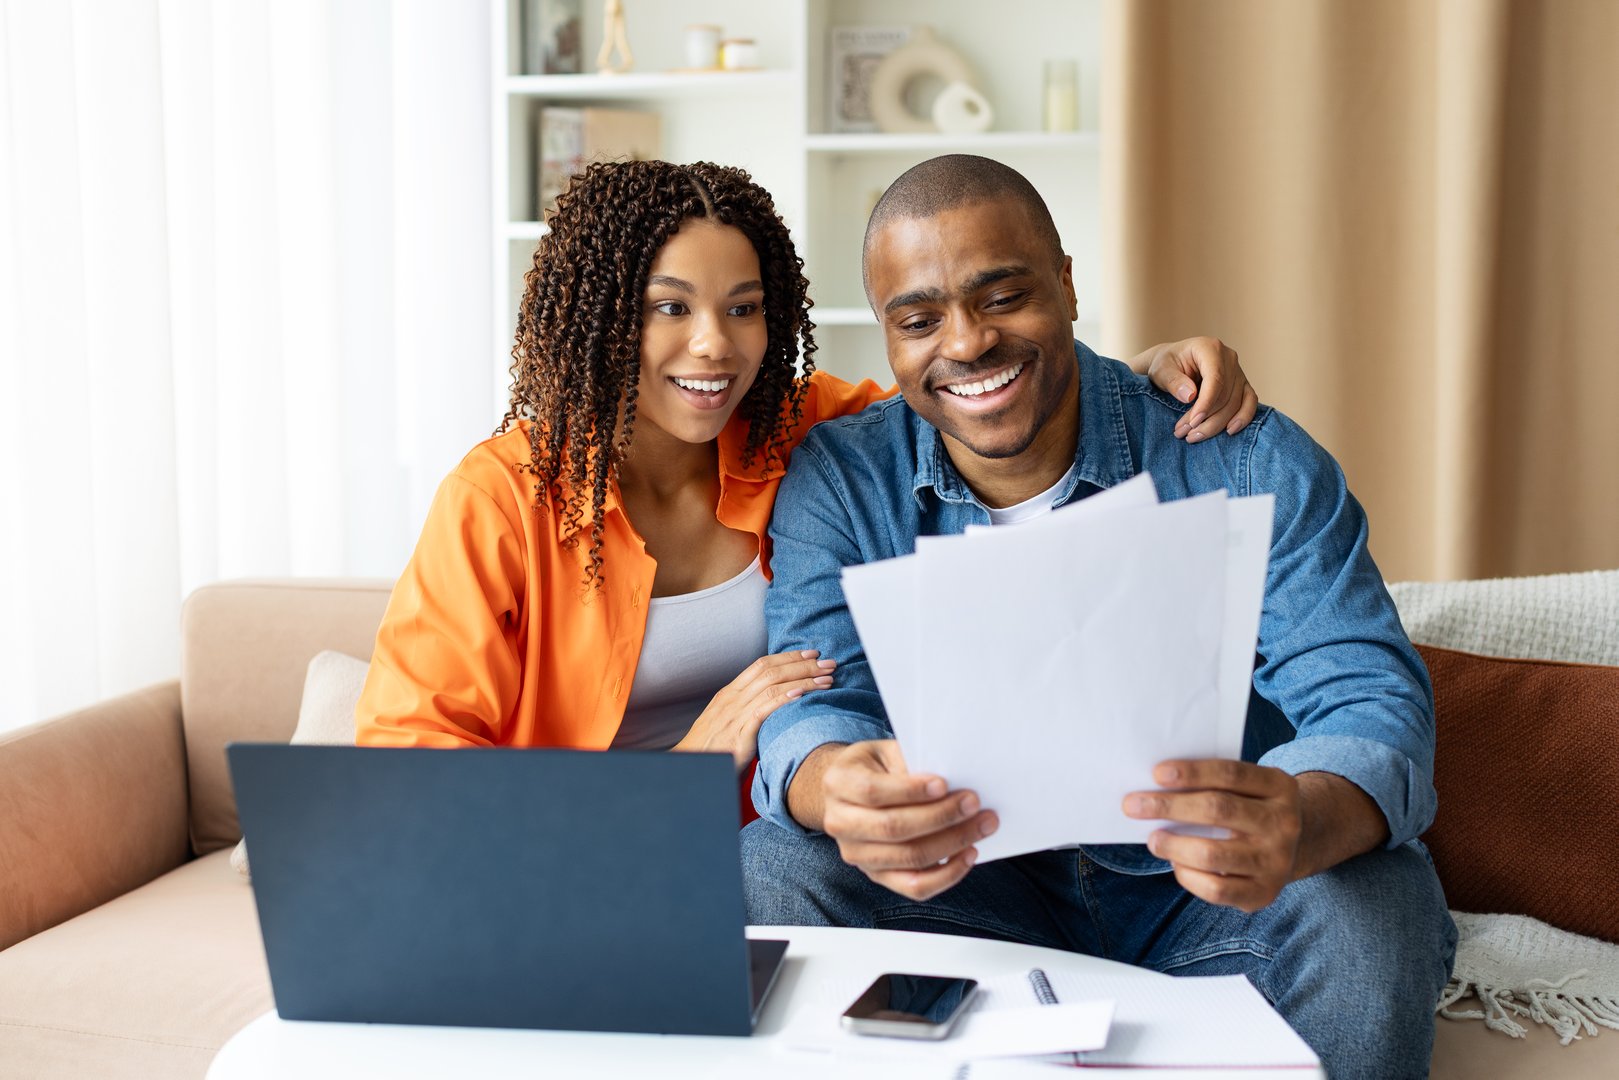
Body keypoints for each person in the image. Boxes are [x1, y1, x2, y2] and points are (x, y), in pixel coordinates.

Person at [741, 155, 1455, 1080]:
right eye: (918, 321)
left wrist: (1304, 816)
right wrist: (833, 783)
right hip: (966, 891)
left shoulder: (1240, 455)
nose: (963, 344)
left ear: (1069, 284)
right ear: (886, 335)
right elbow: (812, 698)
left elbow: (1366, 694)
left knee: (1375, 906)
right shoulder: (841, 479)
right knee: (772, 867)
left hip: (1208, 892)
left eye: (1002, 297)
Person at [353, 159, 1258, 798]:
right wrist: (686, 764)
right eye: (671, 307)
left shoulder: (798, 426)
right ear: (597, 317)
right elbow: (409, 769)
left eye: (743, 309)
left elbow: (964, 395)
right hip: (584, 855)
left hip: (786, 831)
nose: (715, 344)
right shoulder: (503, 498)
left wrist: (1127, 375)